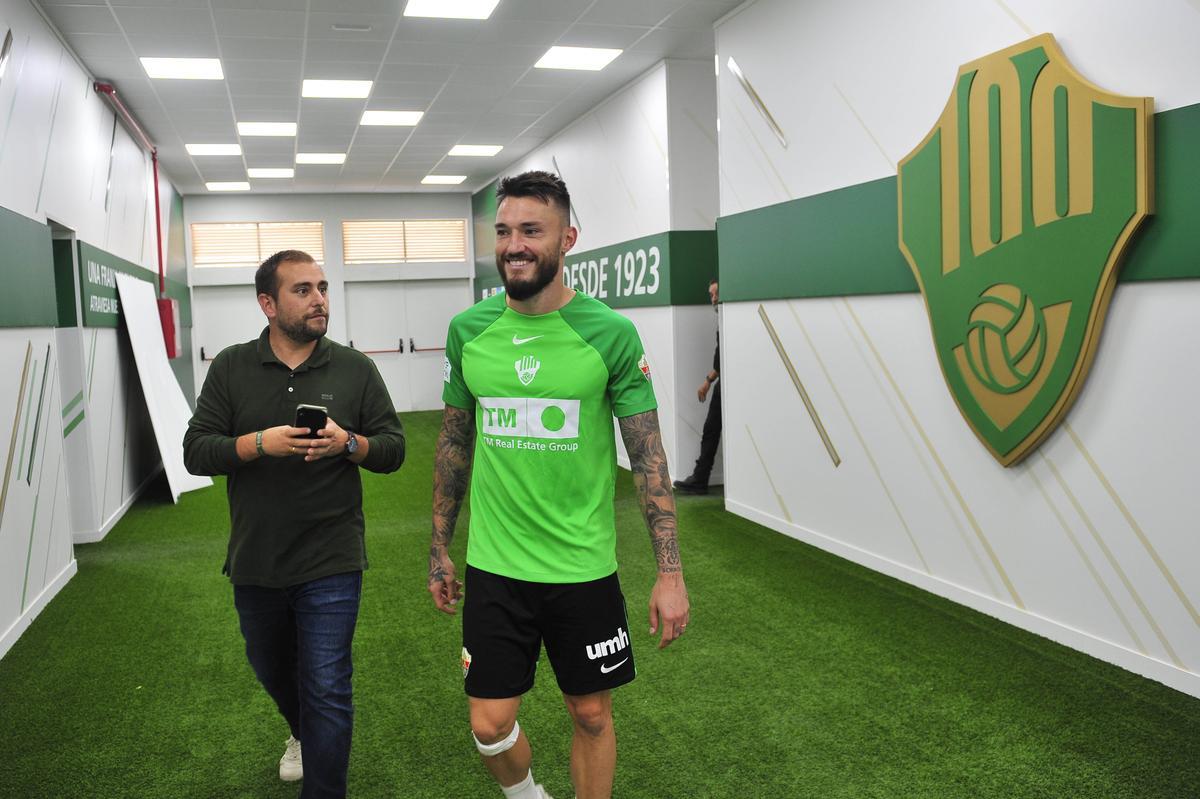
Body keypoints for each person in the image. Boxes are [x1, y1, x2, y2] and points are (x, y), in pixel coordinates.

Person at [428, 171, 690, 799]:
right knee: (490, 726)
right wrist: (439, 545)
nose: (514, 244)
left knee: (591, 715)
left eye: (530, 231)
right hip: (497, 564)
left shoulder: (611, 335)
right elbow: (454, 445)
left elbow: (647, 455)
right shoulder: (469, 331)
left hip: (582, 565)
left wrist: (670, 571)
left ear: (567, 238)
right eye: (503, 231)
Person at [183, 249, 405, 799]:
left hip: (332, 556)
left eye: (323, 287)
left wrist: (348, 443)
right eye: (302, 289)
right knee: (272, 668)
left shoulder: (356, 368)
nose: (320, 299)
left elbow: (394, 449)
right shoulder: (232, 367)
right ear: (267, 303)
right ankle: (302, 733)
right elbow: (195, 452)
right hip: (257, 557)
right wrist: (261, 443)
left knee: (327, 684)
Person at [674, 279, 722, 495]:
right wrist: (708, 381)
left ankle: (700, 478)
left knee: (711, 431)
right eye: (711, 294)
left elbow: (720, 358)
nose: (713, 298)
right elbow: (720, 359)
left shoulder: (727, 318)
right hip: (723, 383)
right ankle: (700, 478)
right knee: (711, 430)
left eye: (716, 293)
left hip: (727, 385)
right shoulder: (723, 318)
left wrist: (708, 381)